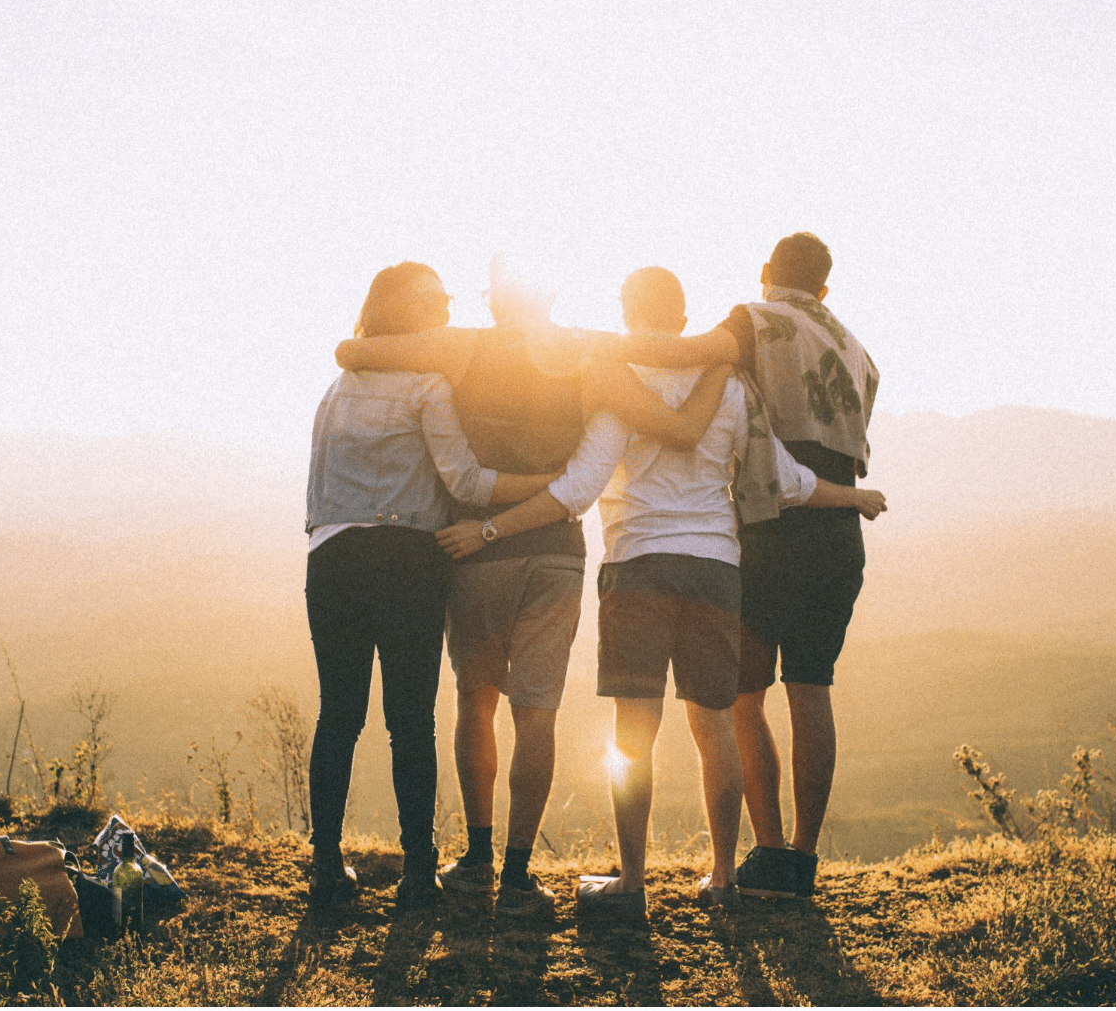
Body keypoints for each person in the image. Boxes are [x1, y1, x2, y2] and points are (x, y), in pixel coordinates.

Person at [437, 266, 885, 917]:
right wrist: (856, 497)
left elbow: (577, 489)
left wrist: (490, 528)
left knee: (634, 733)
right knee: (715, 728)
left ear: (626, 312)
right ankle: (725, 878)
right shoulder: (729, 385)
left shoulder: (618, 381)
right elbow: (787, 480)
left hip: (638, 566)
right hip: (715, 570)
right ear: (682, 319)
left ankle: (632, 883)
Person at [334, 254, 729, 917]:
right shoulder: (588, 356)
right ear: (551, 294)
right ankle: (518, 877)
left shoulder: (461, 349)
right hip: (555, 554)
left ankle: (478, 857)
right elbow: (675, 418)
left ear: (494, 301)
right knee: (536, 713)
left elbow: (353, 350)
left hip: (475, 549)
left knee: (476, 700)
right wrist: (722, 357)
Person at [589, 233, 879, 900]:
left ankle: (768, 854)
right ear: (825, 289)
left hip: (770, 528)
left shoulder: (754, 321)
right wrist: (855, 497)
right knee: (812, 691)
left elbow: (685, 354)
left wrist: (588, 348)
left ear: (766, 273)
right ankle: (802, 862)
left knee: (739, 700)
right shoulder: (857, 349)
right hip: (836, 530)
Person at [302, 262, 560, 910]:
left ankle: (327, 867)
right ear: (404, 312)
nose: (446, 306)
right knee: (409, 721)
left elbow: (318, 489)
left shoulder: (337, 388)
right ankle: (418, 873)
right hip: (408, 561)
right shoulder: (428, 386)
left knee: (339, 715)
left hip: (331, 557)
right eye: (433, 300)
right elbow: (467, 484)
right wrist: (548, 486)